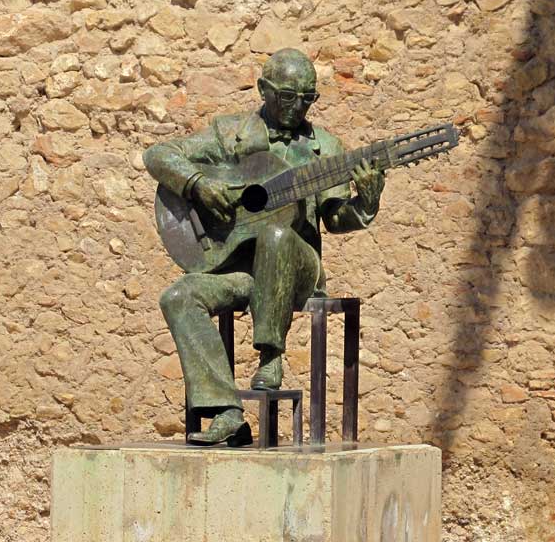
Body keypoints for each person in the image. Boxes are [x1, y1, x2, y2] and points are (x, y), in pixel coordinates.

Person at [143, 48, 385, 445]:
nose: (298, 106)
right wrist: (198, 185)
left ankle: (272, 356)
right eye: (287, 96)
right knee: (178, 296)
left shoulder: (325, 146)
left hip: (298, 267)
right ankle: (225, 411)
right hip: (238, 266)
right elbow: (158, 155)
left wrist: (367, 200)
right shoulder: (229, 134)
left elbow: (336, 219)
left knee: (276, 234)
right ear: (263, 90)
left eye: (307, 98)